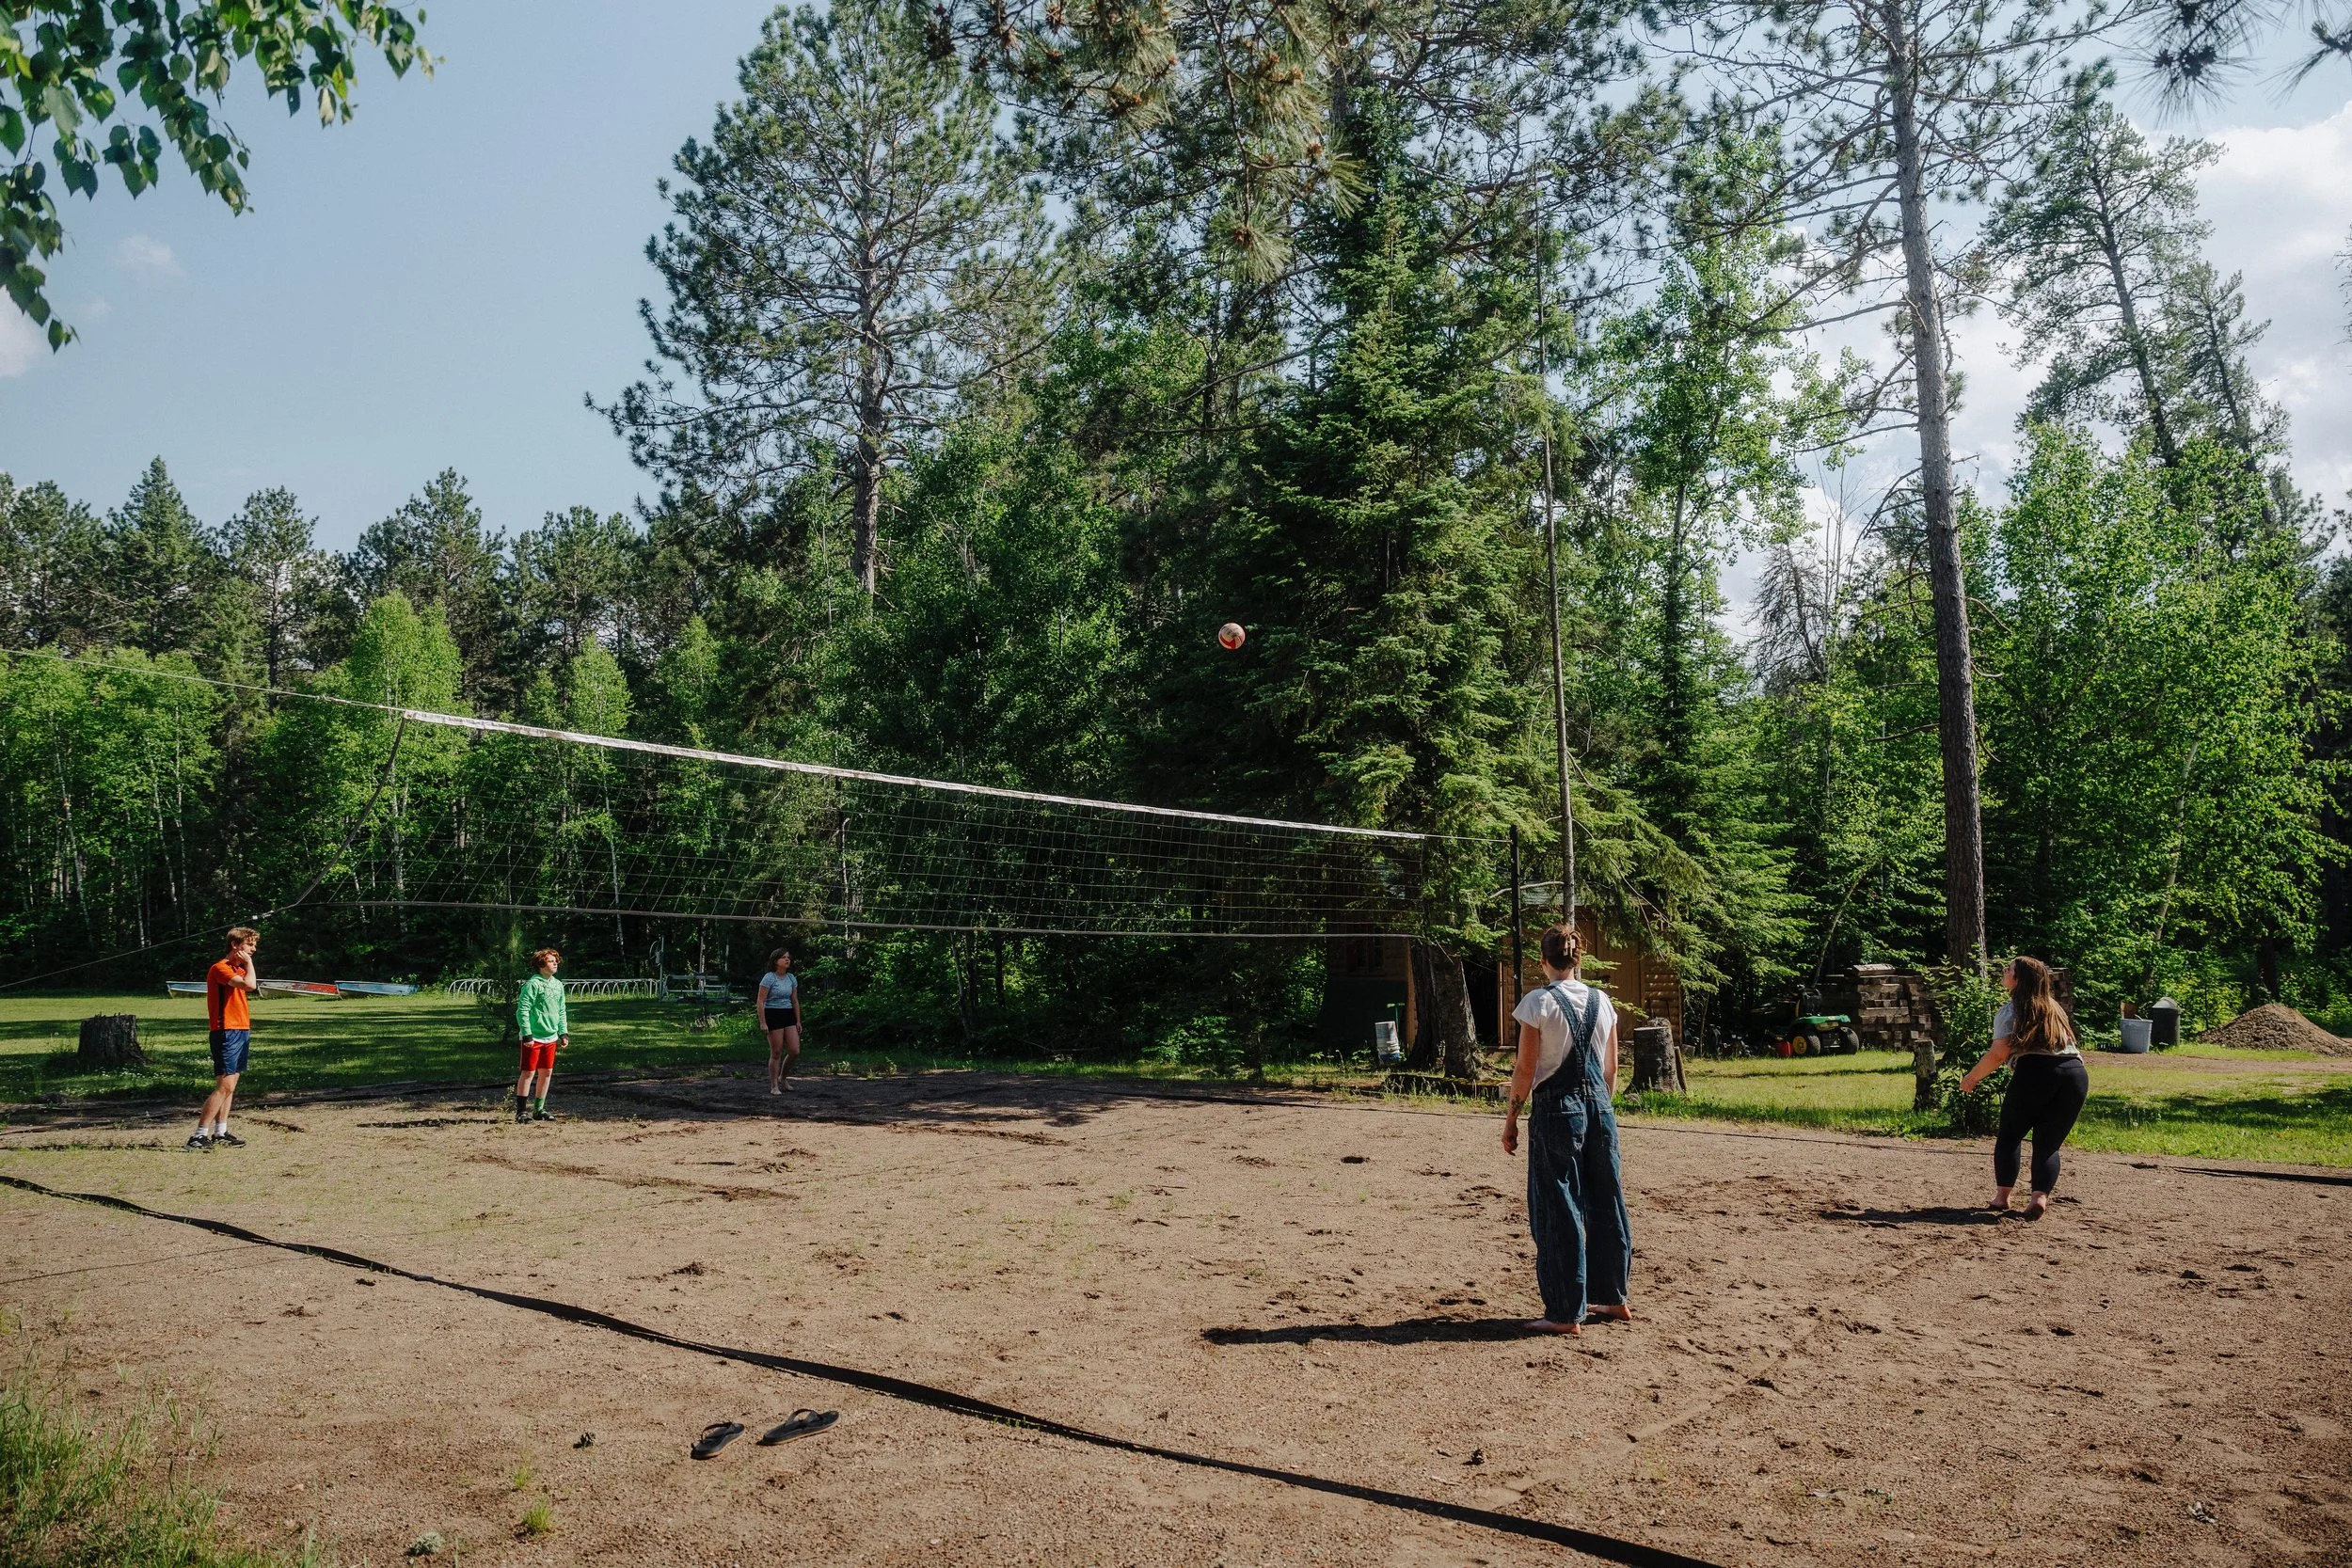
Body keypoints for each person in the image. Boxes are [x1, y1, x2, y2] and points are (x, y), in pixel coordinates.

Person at [1501, 922, 1632, 1335]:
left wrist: (1511, 1120)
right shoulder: (1603, 1001)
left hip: (1558, 1111)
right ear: (1579, 960)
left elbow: (1525, 1068)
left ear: (1543, 961)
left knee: (1559, 1205)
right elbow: (1611, 1070)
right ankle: (1612, 1298)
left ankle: (1563, 1311)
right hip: (1601, 1110)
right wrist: (1599, 1108)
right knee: (1606, 1198)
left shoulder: (1538, 1003)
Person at [1960, 955, 2088, 1219]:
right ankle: (2039, 1197)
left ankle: (2002, 1198)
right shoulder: (2054, 1008)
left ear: (2018, 979)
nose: (2004, 972)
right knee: (2048, 1144)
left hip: (2036, 1073)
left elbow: (1998, 1053)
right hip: (2075, 1074)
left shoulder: (2012, 1010)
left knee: (2010, 1135)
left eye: (2008, 969)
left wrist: (1972, 1077)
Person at [190, 927, 262, 1151]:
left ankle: (220, 1132)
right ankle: (198, 1136)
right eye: (250, 945)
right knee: (224, 1086)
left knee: (231, 1086)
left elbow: (249, 983)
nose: (254, 949)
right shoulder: (220, 968)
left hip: (241, 1029)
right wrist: (249, 964)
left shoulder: (236, 969)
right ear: (235, 945)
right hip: (225, 1031)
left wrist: (246, 965)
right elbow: (250, 986)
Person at [514, 948, 568, 1124]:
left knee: (546, 1073)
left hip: (550, 1037)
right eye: (551, 961)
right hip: (533, 1037)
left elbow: (561, 1011)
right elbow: (522, 1010)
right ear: (541, 965)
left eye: (556, 961)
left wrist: (563, 1032)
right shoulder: (533, 984)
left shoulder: (558, 985)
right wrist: (527, 1034)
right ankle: (521, 1111)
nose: (555, 963)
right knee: (528, 1072)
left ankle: (539, 1109)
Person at [756, 948, 803, 1095]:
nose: (787, 959)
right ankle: (774, 1085)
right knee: (776, 1052)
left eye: (788, 957)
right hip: (773, 1014)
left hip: (788, 1014)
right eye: (783, 957)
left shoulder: (791, 978)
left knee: (794, 1051)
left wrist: (798, 1021)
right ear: (776, 960)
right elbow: (760, 1000)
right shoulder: (769, 978)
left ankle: (783, 1077)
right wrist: (763, 1022)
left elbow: (795, 1001)